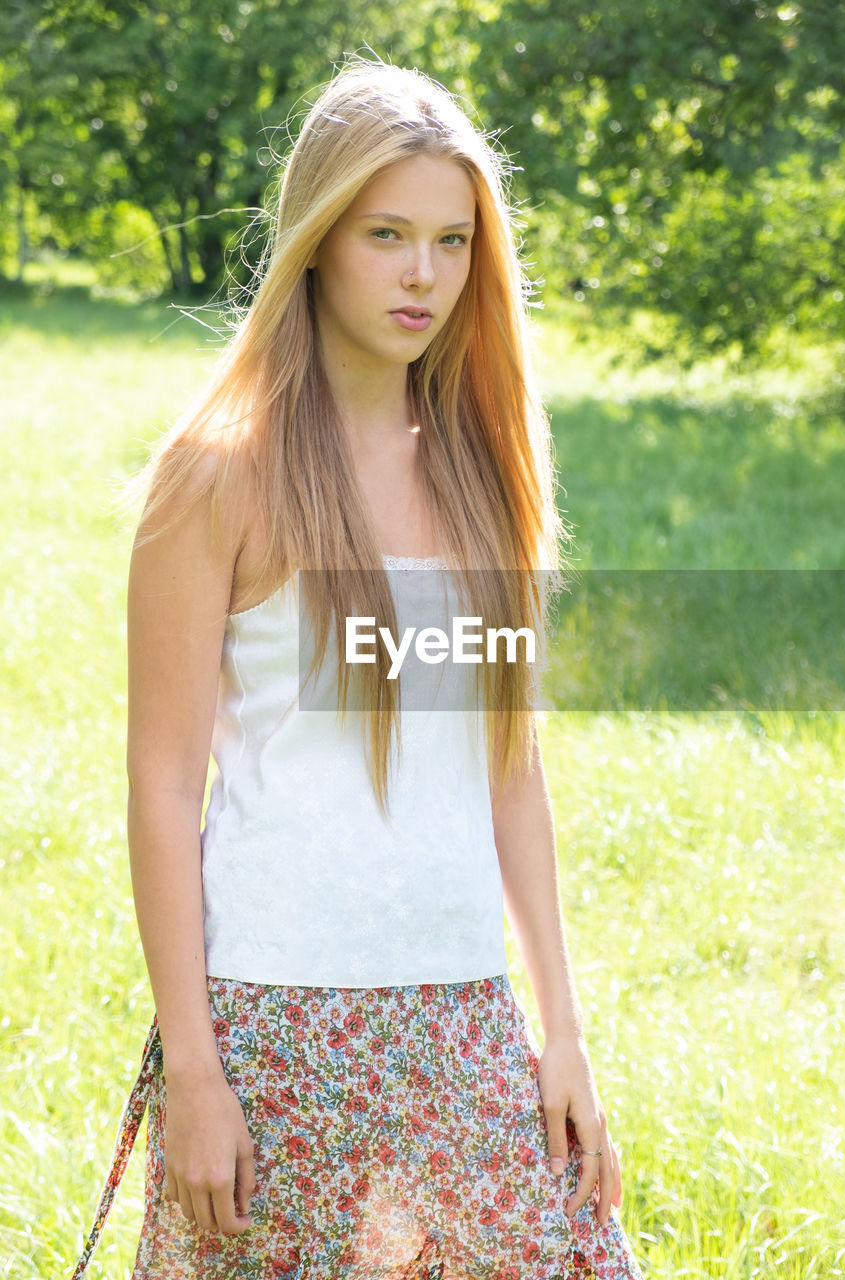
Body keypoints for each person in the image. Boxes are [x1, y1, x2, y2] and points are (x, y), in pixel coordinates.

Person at [82, 58, 646, 1280]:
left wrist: (562, 1034)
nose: (423, 275)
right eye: (387, 234)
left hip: (462, 1013)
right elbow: (164, 782)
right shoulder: (217, 473)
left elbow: (510, 772)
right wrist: (192, 1062)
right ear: (318, 238)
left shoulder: (483, 469)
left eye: (451, 241)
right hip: (276, 1020)